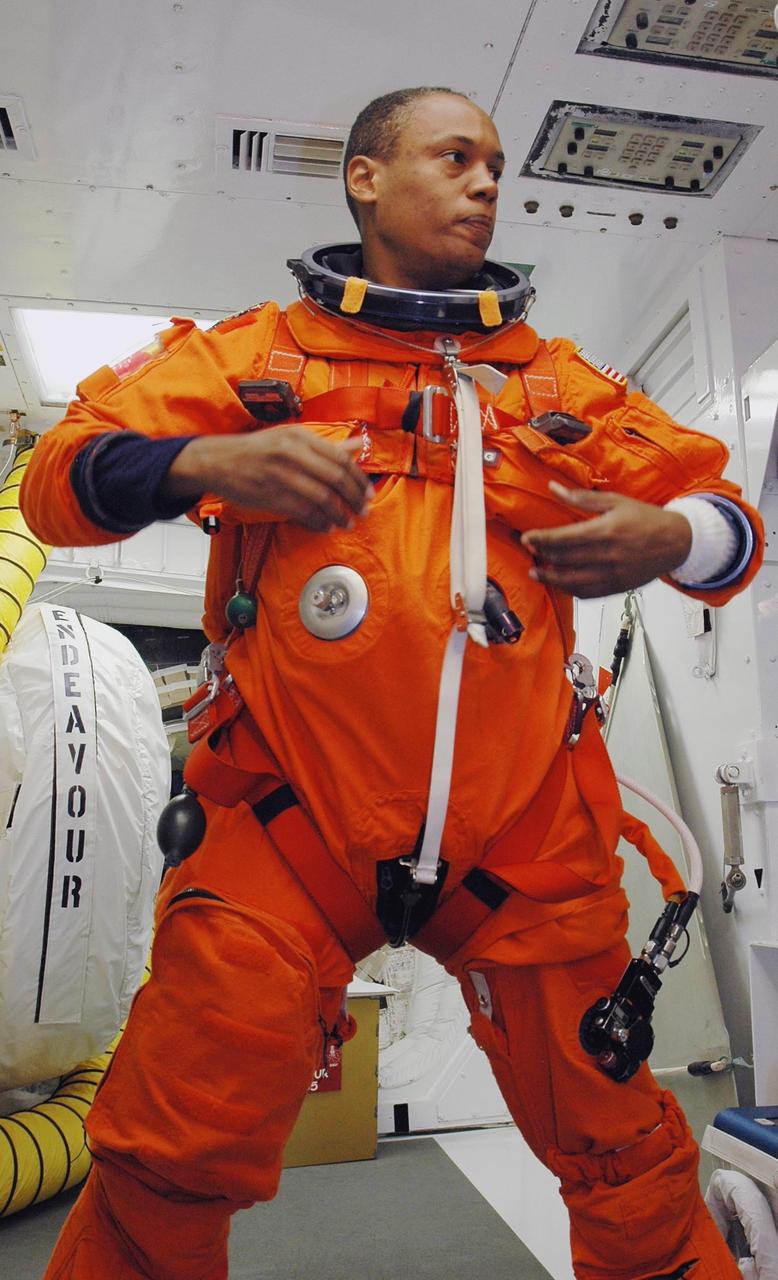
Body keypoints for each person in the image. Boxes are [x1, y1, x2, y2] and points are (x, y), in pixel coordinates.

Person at [20, 86, 763, 1280]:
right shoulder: (255, 360)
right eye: (455, 156)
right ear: (365, 178)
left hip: (518, 835)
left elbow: (728, 517)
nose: (487, 183)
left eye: (497, 165)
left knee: (626, 1156)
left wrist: (672, 540)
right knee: (166, 1154)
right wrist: (199, 458)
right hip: (282, 822)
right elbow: (60, 479)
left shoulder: (555, 391)